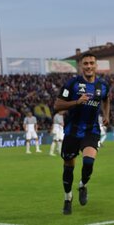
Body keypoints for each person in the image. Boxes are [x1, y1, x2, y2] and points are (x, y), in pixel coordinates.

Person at [54, 53, 110, 215]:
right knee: (68, 167)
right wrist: (76, 102)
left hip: (91, 131)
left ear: (96, 65)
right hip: (72, 132)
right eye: (85, 63)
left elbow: (105, 99)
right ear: (81, 66)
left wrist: (106, 115)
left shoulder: (102, 85)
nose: (89, 66)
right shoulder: (72, 84)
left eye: (92, 63)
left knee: (88, 162)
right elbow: (57, 105)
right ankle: (67, 197)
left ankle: (83, 185)